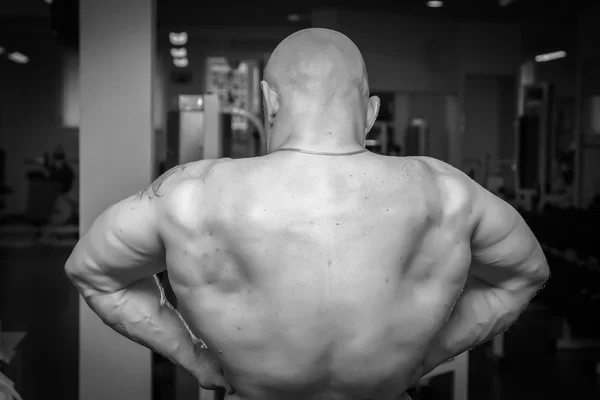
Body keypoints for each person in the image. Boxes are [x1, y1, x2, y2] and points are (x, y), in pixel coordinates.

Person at [65, 28, 549, 400]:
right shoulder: (447, 192)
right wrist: (427, 356)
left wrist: (193, 358)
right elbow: (525, 274)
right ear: (372, 111)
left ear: (269, 100)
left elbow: (91, 271)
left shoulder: (190, 195)